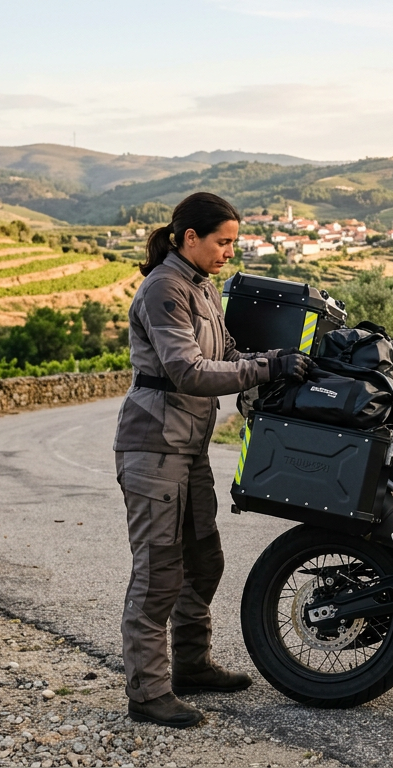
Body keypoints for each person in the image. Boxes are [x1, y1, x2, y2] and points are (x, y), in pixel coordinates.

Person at [112, 192, 309, 728]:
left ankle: (192, 666)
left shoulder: (202, 286)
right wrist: (266, 371)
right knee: (158, 572)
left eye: (233, 244)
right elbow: (189, 371)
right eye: (222, 242)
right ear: (189, 237)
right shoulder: (163, 290)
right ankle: (147, 693)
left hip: (189, 445)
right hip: (153, 446)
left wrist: (278, 362)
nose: (228, 252)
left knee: (204, 558)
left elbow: (224, 356)